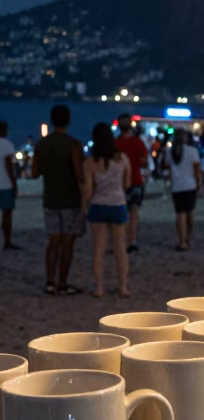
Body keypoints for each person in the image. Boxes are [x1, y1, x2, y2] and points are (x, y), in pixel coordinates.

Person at [32, 104, 84, 295]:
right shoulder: (73, 144)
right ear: (68, 121)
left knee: (52, 241)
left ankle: (50, 281)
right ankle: (62, 282)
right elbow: (80, 175)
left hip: (50, 198)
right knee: (67, 242)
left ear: (52, 120)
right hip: (70, 199)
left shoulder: (41, 144)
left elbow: (35, 172)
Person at [83, 123, 131, 298]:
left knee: (98, 249)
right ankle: (123, 287)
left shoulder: (90, 162)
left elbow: (88, 190)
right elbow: (127, 183)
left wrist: (83, 206)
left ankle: (99, 288)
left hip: (98, 204)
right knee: (120, 248)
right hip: (118, 204)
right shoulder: (122, 159)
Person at [115, 114, 148, 253]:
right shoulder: (138, 142)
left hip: (118, 182)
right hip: (135, 180)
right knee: (133, 212)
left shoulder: (115, 143)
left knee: (120, 213)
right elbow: (144, 161)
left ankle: (120, 240)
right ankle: (132, 240)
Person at [165, 129, 201, 250]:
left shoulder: (170, 152)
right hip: (190, 185)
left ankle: (182, 241)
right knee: (190, 213)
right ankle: (188, 237)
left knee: (180, 213)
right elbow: (196, 169)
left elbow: (168, 169)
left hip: (177, 186)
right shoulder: (192, 151)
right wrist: (199, 183)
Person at [0, 120, 19, 250]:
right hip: (5, 184)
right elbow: (8, 165)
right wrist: (14, 183)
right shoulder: (6, 144)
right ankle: (7, 240)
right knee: (7, 214)